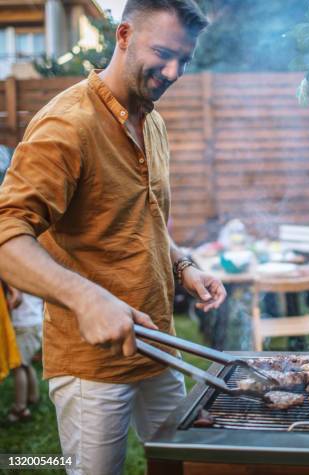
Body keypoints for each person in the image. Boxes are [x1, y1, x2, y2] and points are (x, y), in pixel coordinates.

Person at [0, 1, 226, 473]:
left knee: (179, 464)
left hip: (160, 346)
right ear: (123, 36)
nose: (174, 71)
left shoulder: (153, 121)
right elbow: (7, 233)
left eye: (184, 60)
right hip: (93, 364)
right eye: (163, 52)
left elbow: (143, 219)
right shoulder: (67, 125)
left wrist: (183, 265)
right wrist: (87, 300)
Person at [6, 286, 43, 422]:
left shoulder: (18, 278)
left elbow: (16, 300)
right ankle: (33, 397)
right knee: (26, 364)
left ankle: (20, 408)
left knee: (18, 366)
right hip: (35, 323)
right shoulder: (35, 275)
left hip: (24, 326)